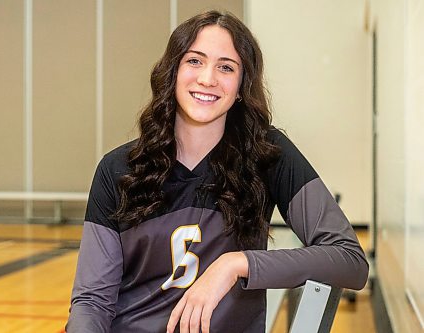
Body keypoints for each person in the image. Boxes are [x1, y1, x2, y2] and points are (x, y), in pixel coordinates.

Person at [66, 10, 369, 333]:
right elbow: (93, 301)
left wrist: (236, 264)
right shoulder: (118, 169)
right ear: (173, 72)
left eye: (226, 67)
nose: (208, 78)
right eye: (194, 61)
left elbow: (349, 259)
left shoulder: (266, 155)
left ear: (241, 86)